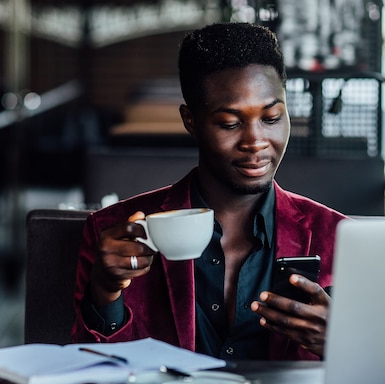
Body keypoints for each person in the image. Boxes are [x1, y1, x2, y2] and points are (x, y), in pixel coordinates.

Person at [71, 22, 347, 361]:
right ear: (191, 121)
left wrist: (340, 344)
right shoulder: (111, 230)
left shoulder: (336, 236)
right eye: (230, 123)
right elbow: (87, 367)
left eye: (272, 118)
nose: (255, 141)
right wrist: (104, 291)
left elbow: (374, 374)